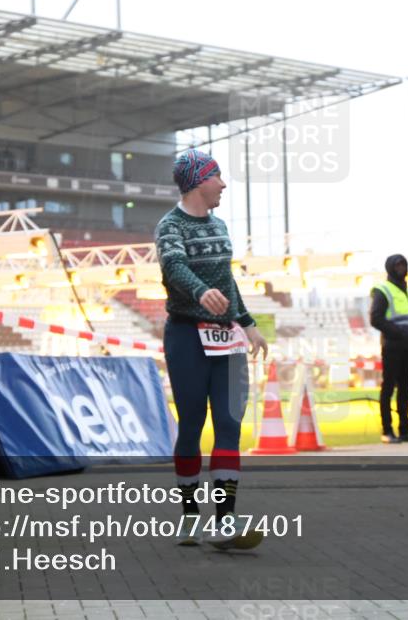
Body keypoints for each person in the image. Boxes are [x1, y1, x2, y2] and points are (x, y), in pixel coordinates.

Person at [155, 148, 268, 548]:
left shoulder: (220, 226)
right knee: (191, 425)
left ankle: (224, 521)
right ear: (199, 181)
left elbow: (227, 280)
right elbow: (174, 267)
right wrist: (201, 292)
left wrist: (248, 323)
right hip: (186, 335)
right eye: (217, 176)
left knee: (230, 423)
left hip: (227, 337)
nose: (223, 183)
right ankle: (189, 516)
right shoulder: (169, 226)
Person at [369, 254, 408, 443]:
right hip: (392, 346)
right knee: (389, 388)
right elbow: (375, 318)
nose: (401, 268)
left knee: (405, 388)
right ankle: (387, 430)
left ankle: (405, 429)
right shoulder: (383, 290)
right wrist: (400, 333)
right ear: (390, 268)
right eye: (397, 265)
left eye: (403, 265)